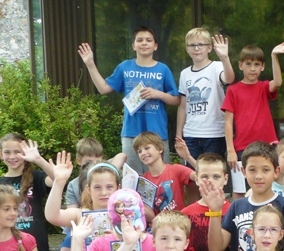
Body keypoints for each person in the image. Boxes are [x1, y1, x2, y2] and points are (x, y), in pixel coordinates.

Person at [77, 26, 179, 174]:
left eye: (148, 40)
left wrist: (158, 94)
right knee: (132, 176)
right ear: (133, 46)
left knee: (161, 176)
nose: (144, 43)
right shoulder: (124, 67)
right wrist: (90, 64)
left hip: (157, 133)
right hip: (131, 132)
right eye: (140, 40)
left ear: (155, 46)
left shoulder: (163, 69)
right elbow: (103, 88)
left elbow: (176, 99)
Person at [222, 42, 284, 199]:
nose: (252, 69)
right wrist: (230, 149)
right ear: (240, 65)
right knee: (240, 189)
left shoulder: (263, 87)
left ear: (262, 67)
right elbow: (227, 122)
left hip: (267, 145)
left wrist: (274, 56)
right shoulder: (233, 90)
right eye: (248, 64)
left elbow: (278, 82)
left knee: (267, 186)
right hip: (241, 147)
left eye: (257, 64)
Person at [175, 29, 235, 163]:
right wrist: (179, 134)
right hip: (190, 133)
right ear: (187, 48)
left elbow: (229, 78)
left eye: (201, 44)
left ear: (209, 48)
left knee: (213, 171)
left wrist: (225, 58)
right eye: (192, 45)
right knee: (192, 173)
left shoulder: (217, 66)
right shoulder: (184, 73)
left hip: (214, 133)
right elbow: (183, 106)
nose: (196, 48)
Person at [136, 131, 197, 215]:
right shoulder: (143, 181)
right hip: (157, 222)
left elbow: (202, 176)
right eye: (139, 151)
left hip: (180, 221)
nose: (143, 153)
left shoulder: (176, 169)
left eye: (147, 148)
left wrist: (188, 157)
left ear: (160, 149)